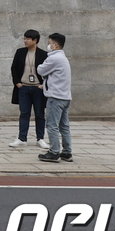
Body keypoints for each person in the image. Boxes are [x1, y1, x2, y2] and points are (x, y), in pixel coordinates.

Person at [36, 32, 73, 163]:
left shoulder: (54, 58)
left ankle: (54, 152)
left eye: (50, 43)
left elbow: (40, 70)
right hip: (65, 97)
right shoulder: (63, 57)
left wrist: (41, 68)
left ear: (56, 45)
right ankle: (67, 152)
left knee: (52, 125)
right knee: (64, 126)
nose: (48, 45)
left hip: (55, 97)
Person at [10, 30, 47, 149]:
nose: (25, 41)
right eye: (24, 38)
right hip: (24, 88)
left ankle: (40, 139)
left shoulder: (43, 54)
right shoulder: (20, 52)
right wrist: (17, 83)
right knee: (24, 113)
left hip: (38, 88)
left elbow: (48, 71)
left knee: (39, 114)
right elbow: (14, 68)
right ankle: (22, 138)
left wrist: (44, 84)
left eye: (27, 39)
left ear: (35, 40)